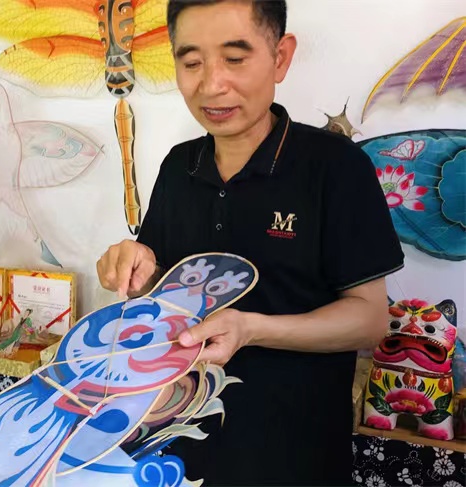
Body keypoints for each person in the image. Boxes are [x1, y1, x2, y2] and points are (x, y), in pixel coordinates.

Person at [97, 0, 404, 485]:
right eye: (191, 62)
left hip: (293, 455)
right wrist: (138, 271)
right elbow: (163, 293)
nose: (211, 84)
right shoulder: (179, 167)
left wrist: (251, 328)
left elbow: (369, 320)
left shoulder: (335, 167)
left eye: (235, 58)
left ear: (280, 57)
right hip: (182, 451)